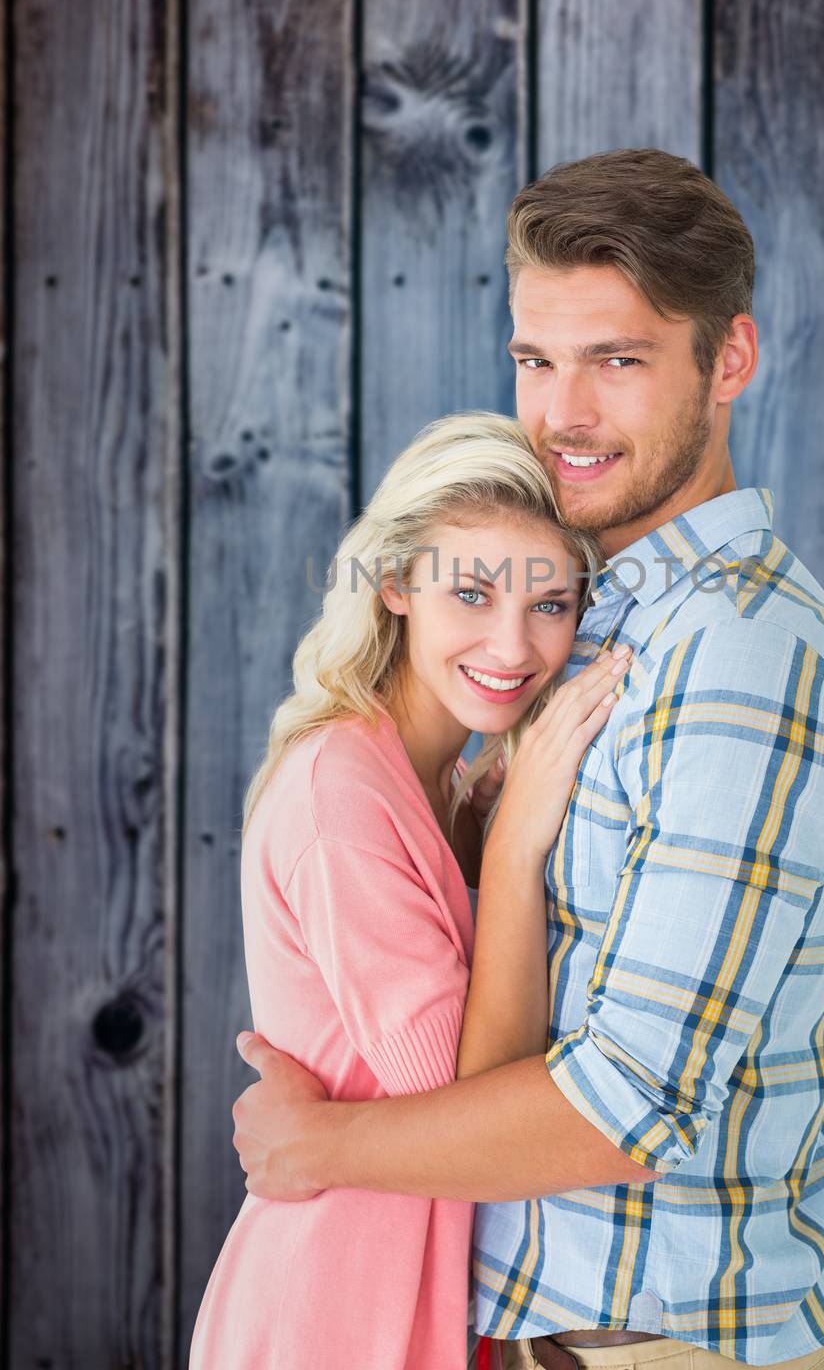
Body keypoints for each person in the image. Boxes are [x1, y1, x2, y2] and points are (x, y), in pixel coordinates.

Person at [231, 148, 824, 1370]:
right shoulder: (598, 620)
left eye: (618, 361)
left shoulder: (738, 653)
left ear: (729, 359)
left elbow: (634, 1104)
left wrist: (317, 1148)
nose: (564, 414)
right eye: (538, 360)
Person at [188, 408, 637, 1370]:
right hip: (334, 1315)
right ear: (394, 586)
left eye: (550, 605)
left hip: (420, 1307)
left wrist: (484, 831)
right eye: (471, 593)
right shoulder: (341, 792)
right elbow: (467, 1110)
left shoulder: (438, 784)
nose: (512, 648)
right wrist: (515, 853)